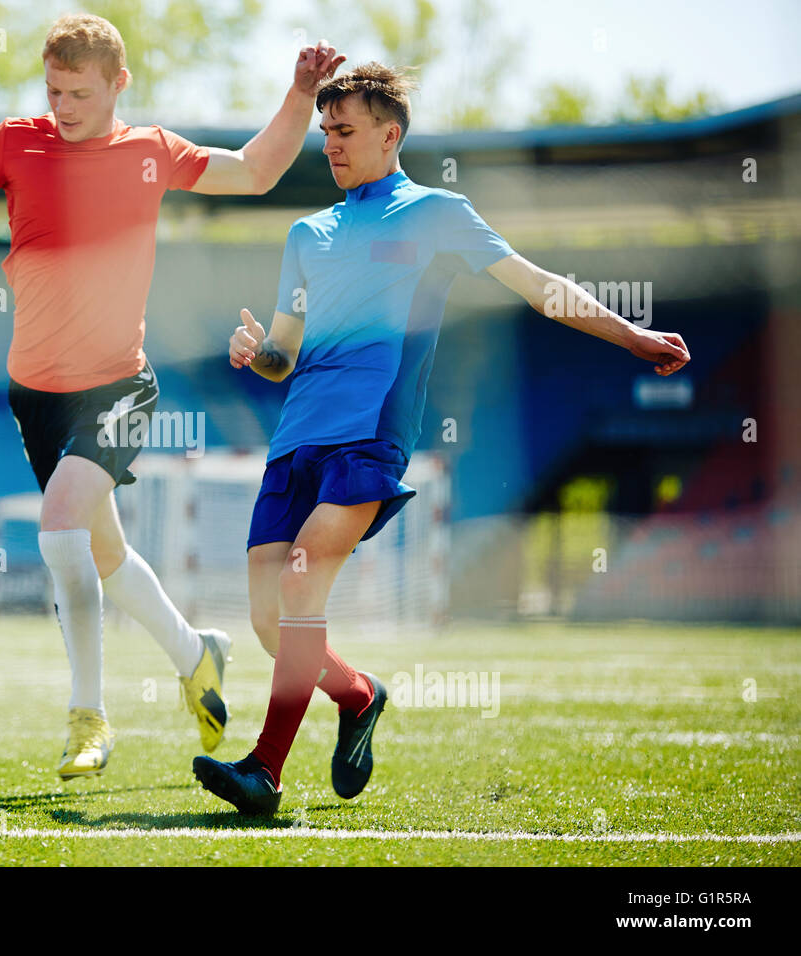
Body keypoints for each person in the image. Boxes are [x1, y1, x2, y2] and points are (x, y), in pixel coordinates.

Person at [0, 13, 346, 779]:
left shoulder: (150, 151)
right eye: (53, 90)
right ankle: (195, 653)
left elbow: (256, 170)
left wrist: (299, 96)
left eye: (78, 92)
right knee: (101, 554)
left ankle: (88, 715)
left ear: (117, 85)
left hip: (118, 385)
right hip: (34, 395)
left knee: (60, 526)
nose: (62, 105)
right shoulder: (15, 142)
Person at [193, 63, 691, 814]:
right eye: (325, 131)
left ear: (390, 135)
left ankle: (264, 769)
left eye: (345, 131)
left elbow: (538, 285)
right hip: (297, 439)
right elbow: (284, 354)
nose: (329, 143)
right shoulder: (307, 233)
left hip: (370, 437)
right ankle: (359, 697)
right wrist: (256, 350)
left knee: (300, 586)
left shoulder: (436, 214)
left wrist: (629, 335)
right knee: (271, 619)